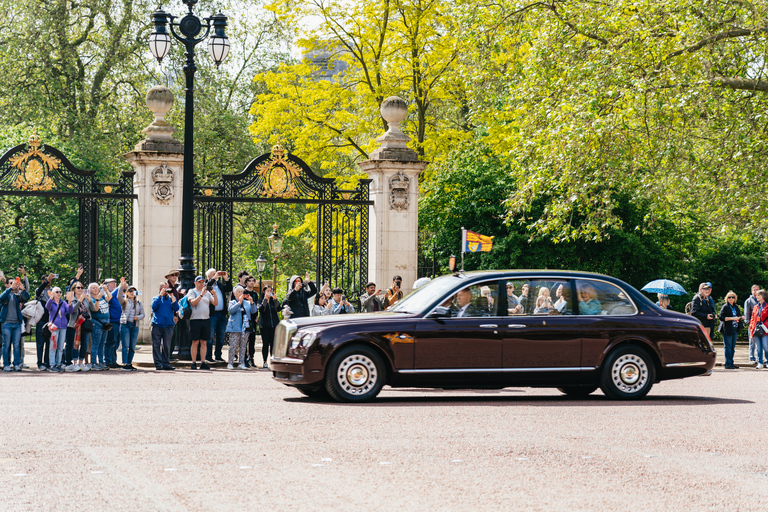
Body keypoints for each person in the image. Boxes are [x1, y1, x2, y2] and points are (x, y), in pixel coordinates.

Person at [187, 275, 217, 370]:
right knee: (195, 342)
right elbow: (193, 303)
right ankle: (194, 362)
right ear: (195, 283)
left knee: (204, 342)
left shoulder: (207, 293)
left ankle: (203, 362)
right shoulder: (192, 291)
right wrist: (201, 294)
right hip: (195, 319)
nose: (202, 283)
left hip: (206, 319)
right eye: (199, 282)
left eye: (203, 282)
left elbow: (215, 303)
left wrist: (214, 294)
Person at [1, 276, 30, 371]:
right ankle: (6, 364)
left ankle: (17, 364)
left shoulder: (18, 295)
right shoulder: (6, 294)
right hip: (6, 323)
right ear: (6, 285)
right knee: (6, 345)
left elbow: (27, 298)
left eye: (14, 283)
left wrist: (22, 289)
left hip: (17, 323)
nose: (13, 285)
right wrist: (10, 289)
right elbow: (1, 298)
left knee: (17, 345)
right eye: (11, 283)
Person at [205, 268, 233, 363]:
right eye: (213, 274)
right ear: (208, 276)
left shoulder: (220, 285)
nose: (216, 275)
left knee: (221, 336)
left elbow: (229, 289)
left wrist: (226, 279)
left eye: (216, 274)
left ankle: (218, 356)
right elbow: (208, 286)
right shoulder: (207, 284)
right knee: (210, 336)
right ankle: (208, 356)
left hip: (221, 314)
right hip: (212, 314)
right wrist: (214, 278)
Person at [151, 282, 179, 371]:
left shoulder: (170, 299)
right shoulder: (156, 298)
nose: (167, 291)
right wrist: (160, 296)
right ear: (160, 289)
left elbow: (177, 308)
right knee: (156, 345)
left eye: (168, 289)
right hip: (157, 325)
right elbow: (153, 307)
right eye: (165, 289)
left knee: (167, 345)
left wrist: (172, 296)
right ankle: (158, 364)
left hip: (168, 326)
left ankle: (166, 363)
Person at [44, 286, 72, 373]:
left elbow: (70, 311)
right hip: (54, 327)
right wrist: (51, 298)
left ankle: (58, 364)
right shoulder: (51, 303)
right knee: (53, 346)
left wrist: (70, 302)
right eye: (57, 292)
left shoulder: (63, 303)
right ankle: (52, 364)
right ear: (53, 293)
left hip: (63, 326)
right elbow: (47, 307)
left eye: (60, 292)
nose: (59, 293)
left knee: (60, 347)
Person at [226, 286, 253, 370]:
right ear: (234, 294)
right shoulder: (232, 302)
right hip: (235, 327)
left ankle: (241, 363)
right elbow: (230, 310)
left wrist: (252, 302)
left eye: (242, 292)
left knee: (243, 346)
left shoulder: (247, 303)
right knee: (233, 345)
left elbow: (254, 311)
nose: (241, 293)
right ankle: (230, 362)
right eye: (239, 292)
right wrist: (239, 303)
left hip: (245, 327)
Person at [87, 282, 112, 371]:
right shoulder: (91, 299)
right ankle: (94, 362)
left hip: (105, 323)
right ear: (90, 290)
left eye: (97, 287)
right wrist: (97, 299)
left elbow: (109, 298)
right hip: (97, 323)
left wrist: (106, 290)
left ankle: (101, 362)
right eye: (93, 288)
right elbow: (96, 309)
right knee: (96, 344)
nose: (96, 289)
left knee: (102, 344)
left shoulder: (101, 296)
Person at [119, 285, 145, 371]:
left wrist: (137, 317)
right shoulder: (124, 301)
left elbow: (143, 314)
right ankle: (125, 363)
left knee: (132, 346)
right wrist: (121, 286)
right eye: (130, 291)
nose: (132, 293)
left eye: (134, 291)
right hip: (125, 325)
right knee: (125, 345)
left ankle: (129, 363)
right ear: (127, 292)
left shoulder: (138, 303)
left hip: (135, 325)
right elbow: (118, 296)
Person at [103, 277, 127, 368]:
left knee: (116, 342)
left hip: (120, 321)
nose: (114, 284)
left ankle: (113, 360)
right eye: (112, 283)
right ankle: (108, 360)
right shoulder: (107, 294)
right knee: (110, 341)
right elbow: (111, 296)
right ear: (107, 285)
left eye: (115, 283)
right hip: (113, 321)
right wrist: (120, 286)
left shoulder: (118, 293)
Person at [718, 291, 743, 370]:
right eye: (729, 297)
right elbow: (721, 317)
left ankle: (731, 363)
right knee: (728, 347)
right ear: (727, 298)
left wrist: (741, 317)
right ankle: (728, 364)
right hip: (727, 329)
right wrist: (733, 318)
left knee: (732, 347)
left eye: (733, 297)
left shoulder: (736, 307)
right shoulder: (725, 306)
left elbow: (738, 315)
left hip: (735, 329)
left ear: (735, 299)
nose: (731, 299)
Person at [63, 283, 85, 372]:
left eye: (82, 287)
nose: (80, 289)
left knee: (82, 344)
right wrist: (80, 300)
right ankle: (68, 362)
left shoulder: (85, 299)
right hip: (73, 324)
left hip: (83, 324)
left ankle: (80, 362)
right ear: (74, 289)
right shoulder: (71, 299)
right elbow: (72, 310)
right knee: (70, 344)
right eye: (78, 287)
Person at [34, 273, 54, 370]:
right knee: (40, 343)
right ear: (42, 281)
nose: (49, 281)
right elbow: (38, 291)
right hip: (41, 320)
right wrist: (46, 281)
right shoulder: (40, 291)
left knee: (49, 343)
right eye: (46, 280)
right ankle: (39, 363)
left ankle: (47, 362)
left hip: (51, 320)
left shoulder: (54, 291)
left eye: (50, 279)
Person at [258, 285, 280, 368]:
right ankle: (264, 361)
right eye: (267, 290)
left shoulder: (273, 301)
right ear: (264, 292)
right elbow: (261, 309)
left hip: (274, 325)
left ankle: (273, 360)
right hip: (264, 326)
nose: (269, 292)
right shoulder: (260, 300)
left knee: (273, 344)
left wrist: (275, 299)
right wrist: (265, 299)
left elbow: (278, 309)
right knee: (265, 344)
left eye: (270, 290)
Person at [242, 275, 259, 368]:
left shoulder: (255, 294)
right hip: (244, 318)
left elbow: (256, 306)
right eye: (250, 281)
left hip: (253, 319)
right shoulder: (243, 292)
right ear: (246, 282)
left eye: (253, 281)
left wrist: (256, 316)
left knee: (252, 340)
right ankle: (243, 358)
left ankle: (251, 358)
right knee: (244, 340)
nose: (252, 282)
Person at [748, 289, 768, 370]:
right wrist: (751, 327)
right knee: (758, 347)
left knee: (766, 346)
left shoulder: (767, 306)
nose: (756, 296)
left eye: (758, 295)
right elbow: (753, 318)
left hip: (765, 329)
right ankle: (760, 362)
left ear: (763, 296)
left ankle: (767, 362)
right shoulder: (756, 306)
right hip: (756, 329)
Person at [744, 285, 760, 363]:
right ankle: (751, 358)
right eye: (754, 290)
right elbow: (747, 313)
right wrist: (748, 324)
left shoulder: (762, 300)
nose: (756, 291)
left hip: (761, 325)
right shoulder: (748, 301)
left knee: (760, 342)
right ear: (751, 291)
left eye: (757, 290)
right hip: (752, 325)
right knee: (752, 342)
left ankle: (759, 358)